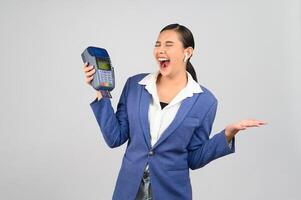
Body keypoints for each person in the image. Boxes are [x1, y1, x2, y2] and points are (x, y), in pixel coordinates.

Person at [82, 23, 267, 200]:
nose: (160, 50)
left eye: (168, 45)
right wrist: (101, 90)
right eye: (157, 44)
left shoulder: (205, 101)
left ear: (187, 52)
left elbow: (194, 158)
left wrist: (228, 134)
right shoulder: (134, 85)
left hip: (171, 192)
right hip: (128, 190)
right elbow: (115, 138)